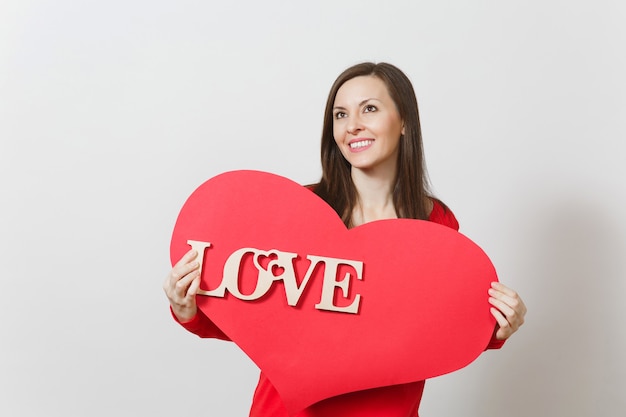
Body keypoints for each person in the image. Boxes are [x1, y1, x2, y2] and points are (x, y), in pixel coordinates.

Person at [163, 62, 527, 416]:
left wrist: (495, 326)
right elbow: (260, 321)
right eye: (340, 115)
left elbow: (438, 331)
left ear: (403, 122)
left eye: (369, 109)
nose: (352, 126)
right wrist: (188, 311)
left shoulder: (437, 225)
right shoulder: (296, 212)